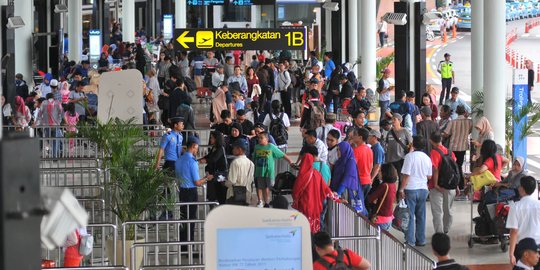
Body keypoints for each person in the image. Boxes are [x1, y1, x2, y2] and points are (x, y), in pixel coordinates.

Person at [176, 137, 213, 241]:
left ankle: (182, 244)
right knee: (191, 218)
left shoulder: (179, 160)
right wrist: (206, 178)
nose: (197, 151)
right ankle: (190, 243)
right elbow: (197, 182)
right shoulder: (192, 162)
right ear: (193, 147)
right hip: (191, 192)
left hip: (182, 190)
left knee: (183, 217)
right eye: (196, 148)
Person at [399, 136, 432, 246]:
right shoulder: (427, 158)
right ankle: (421, 240)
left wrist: (401, 189)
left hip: (411, 189)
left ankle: (410, 241)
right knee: (421, 216)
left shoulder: (409, 157)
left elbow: (406, 175)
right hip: (423, 189)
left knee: (410, 216)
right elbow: (429, 176)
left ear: (413, 145)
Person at [292, 153, 334, 232]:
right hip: (316, 204)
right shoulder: (316, 173)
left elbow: (295, 192)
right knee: (316, 223)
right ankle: (316, 240)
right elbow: (326, 188)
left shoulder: (301, 175)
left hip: (304, 205)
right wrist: (337, 198)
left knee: (305, 225)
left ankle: (307, 240)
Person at [252, 131, 293, 208]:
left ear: (267, 139)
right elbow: (254, 159)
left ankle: (266, 202)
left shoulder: (271, 147)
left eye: (261, 138)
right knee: (259, 186)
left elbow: (282, 154)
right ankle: (260, 201)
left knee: (267, 187)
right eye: (258, 138)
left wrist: (290, 161)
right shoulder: (256, 147)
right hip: (258, 171)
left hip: (268, 172)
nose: (259, 139)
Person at [507, 176, 540, 267]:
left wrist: (511, 253)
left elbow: (514, 231)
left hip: (522, 248)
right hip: (538, 245)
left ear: (522, 188)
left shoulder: (515, 207)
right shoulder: (539, 205)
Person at [429, 131, 458, 234]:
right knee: (448, 209)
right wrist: (457, 185)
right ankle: (446, 229)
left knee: (437, 211)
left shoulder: (434, 152)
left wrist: (436, 184)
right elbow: (455, 170)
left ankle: (439, 233)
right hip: (450, 185)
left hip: (437, 186)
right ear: (441, 139)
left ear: (431, 141)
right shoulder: (450, 152)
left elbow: (435, 169)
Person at [443, 105, 472, 191]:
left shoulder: (452, 122)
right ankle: (461, 184)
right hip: (463, 146)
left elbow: (446, 133)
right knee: (459, 165)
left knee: (453, 165)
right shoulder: (469, 122)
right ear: (464, 112)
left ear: (456, 111)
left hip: (453, 146)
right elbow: (470, 131)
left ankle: (456, 183)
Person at [199, 131, 228, 204]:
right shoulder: (214, 148)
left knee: (221, 193)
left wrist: (205, 160)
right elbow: (208, 156)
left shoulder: (221, 148)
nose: (210, 139)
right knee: (213, 192)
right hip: (214, 172)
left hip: (221, 174)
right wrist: (200, 160)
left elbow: (214, 159)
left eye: (212, 138)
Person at [224, 138, 255, 205]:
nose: (233, 150)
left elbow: (232, 181)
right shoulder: (251, 163)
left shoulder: (235, 162)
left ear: (239, 149)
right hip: (246, 195)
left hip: (234, 195)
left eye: (234, 148)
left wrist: (224, 183)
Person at [367, 163, 397, 230]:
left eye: (380, 171)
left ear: (385, 173)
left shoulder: (384, 186)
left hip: (380, 218)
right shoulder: (393, 185)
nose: (378, 173)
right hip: (389, 218)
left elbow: (370, 198)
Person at [385, 113, 413, 185]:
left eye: (395, 119)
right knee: (390, 178)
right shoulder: (390, 132)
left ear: (400, 121)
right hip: (390, 159)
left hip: (400, 159)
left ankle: (400, 193)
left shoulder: (404, 131)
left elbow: (412, 144)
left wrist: (409, 155)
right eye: (392, 119)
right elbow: (386, 144)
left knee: (401, 178)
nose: (393, 121)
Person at [351, 128, 373, 196]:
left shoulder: (356, 151)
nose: (353, 136)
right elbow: (371, 165)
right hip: (367, 180)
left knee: (356, 204)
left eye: (355, 135)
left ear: (360, 137)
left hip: (359, 182)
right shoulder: (369, 149)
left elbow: (352, 167)